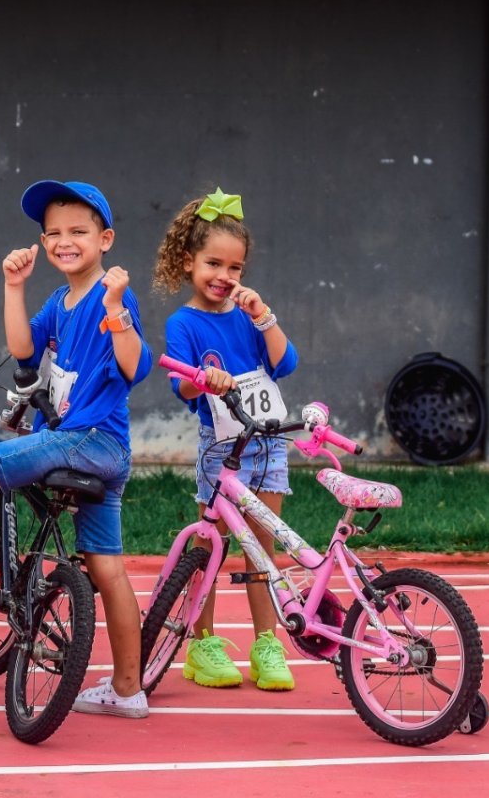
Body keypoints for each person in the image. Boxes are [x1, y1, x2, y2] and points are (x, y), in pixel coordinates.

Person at [0, 180, 153, 718]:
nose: (66, 242)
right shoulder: (60, 300)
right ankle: (127, 689)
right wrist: (12, 286)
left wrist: (116, 307)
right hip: (105, 449)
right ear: (44, 244)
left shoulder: (110, 295)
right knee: (106, 566)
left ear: (105, 239)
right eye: (54, 234)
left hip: (84, 440)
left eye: (79, 232)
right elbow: (22, 347)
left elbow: (134, 367)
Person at [152, 188, 299, 691]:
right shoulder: (183, 323)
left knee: (262, 550)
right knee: (209, 546)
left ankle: (267, 644)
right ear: (190, 261)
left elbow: (286, 363)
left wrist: (266, 318)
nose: (225, 276)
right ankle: (203, 642)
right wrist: (203, 378)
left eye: (235, 268)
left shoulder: (248, 316)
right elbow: (181, 385)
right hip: (222, 449)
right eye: (214, 263)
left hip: (269, 444)